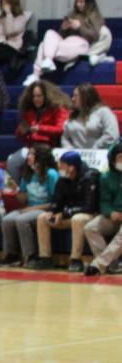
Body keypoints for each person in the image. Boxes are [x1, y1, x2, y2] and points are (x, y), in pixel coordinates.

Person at [35, 150, 99, 271]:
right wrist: (52, 211)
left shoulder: (91, 177)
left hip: (89, 216)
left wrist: (64, 213)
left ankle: (76, 259)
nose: (59, 168)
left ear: (72, 167)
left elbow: (89, 207)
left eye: (62, 165)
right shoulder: (62, 179)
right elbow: (56, 200)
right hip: (67, 215)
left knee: (77, 219)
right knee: (42, 218)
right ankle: (45, 258)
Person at [26, 0, 105, 85]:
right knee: (49, 34)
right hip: (66, 42)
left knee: (43, 46)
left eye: (81, 2)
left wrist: (80, 27)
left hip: (81, 44)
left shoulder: (94, 16)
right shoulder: (73, 14)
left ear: (88, 2)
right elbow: (61, 35)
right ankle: (48, 60)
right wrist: (64, 28)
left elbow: (95, 35)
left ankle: (37, 73)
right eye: (77, 1)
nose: (78, 4)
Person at [0, 144, 59, 266]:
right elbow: (22, 199)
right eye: (28, 154)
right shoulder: (27, 174)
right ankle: (12, 255)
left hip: (45, 209)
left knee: (22, 219)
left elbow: (55, 202)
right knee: (7, 220)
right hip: (30, 208)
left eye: (32, 154)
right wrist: (15, 189)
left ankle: (31, 255)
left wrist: (32, 209)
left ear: (41, 157)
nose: (29, 157)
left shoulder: (51, 174)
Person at [5, 81, 70, 181]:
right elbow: (20, 136)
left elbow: (61, 129)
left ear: (47, 95)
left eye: (39, 96)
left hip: (50, 148)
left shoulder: (59, 108)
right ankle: (24, 189)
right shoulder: (29, 111)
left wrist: (40, 129)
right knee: (12, 162)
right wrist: (21, 131)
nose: (36, 99)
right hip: (32, 148)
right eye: (34, 96)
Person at [82, 143, 122, 275]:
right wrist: (110, 212)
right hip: (114, 216)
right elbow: (104, 201)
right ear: (112, 160)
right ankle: (112, 264)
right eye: (120, 157)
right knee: (90, 228)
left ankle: (98, 264)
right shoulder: (105, 177)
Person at [61, 83, 119, 151]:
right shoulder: (72, 116)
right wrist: (71, 151)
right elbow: (65, 138)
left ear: (86, 97)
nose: (73, 99)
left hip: (99, 155)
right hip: (75, 157)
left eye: (76, 96)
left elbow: (112, 135)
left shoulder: (104, 112)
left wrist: (94, 149)